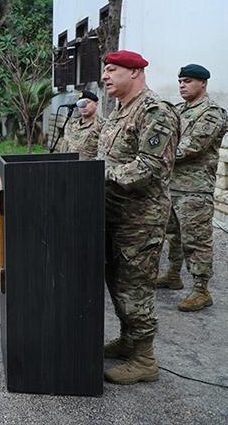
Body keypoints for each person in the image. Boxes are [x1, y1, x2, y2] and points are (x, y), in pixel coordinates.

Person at [97, 50, 179, 385]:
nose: (105, 76)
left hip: (140, 218)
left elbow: (150, 166)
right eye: (104, 70)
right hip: (113, 212)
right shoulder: (120, 111)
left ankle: (144, 359)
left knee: (135, 284)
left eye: (112, 70)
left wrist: (100, 175)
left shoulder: (155, 111)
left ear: (135, 72)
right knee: (116, 279)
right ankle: (130, 340)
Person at [158, 64, 228, 311]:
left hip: (195, 189)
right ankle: (173, 275)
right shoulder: (178, 110)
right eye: (180, 81)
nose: (182, 85)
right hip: (172, 185)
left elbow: (190, 146)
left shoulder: (212, 113)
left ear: (203, 83)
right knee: (173, 234)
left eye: (187, 81)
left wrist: (154, 155)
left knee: (196, 239)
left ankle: (201, 290)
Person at [58, 90, 104, 160]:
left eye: (87, 102)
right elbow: (65, 146)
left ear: (96, 104)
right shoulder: (71, 124)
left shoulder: (102, 125)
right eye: (80, 104)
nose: (83, 106)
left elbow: (104, 152)